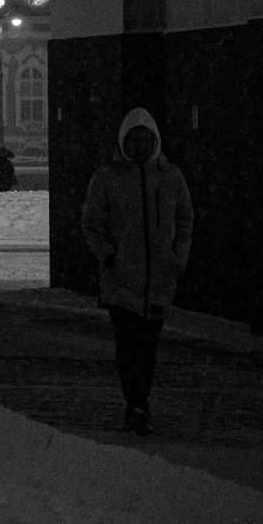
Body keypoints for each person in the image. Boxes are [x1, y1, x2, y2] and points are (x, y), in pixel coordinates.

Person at [82, 108, 194, 436]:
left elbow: (185, 219)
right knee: (129, 345)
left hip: (159, 281)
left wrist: (177, 257)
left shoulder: (171, 177)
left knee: (149, 348)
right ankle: (137, 405)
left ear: (155, 140)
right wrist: (109, 257)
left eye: (147, 139)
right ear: (124, 142)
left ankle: (139, 402)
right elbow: (92, 224)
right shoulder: (107, 178)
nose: (141, 145)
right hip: (121, 281)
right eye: (135, 139)